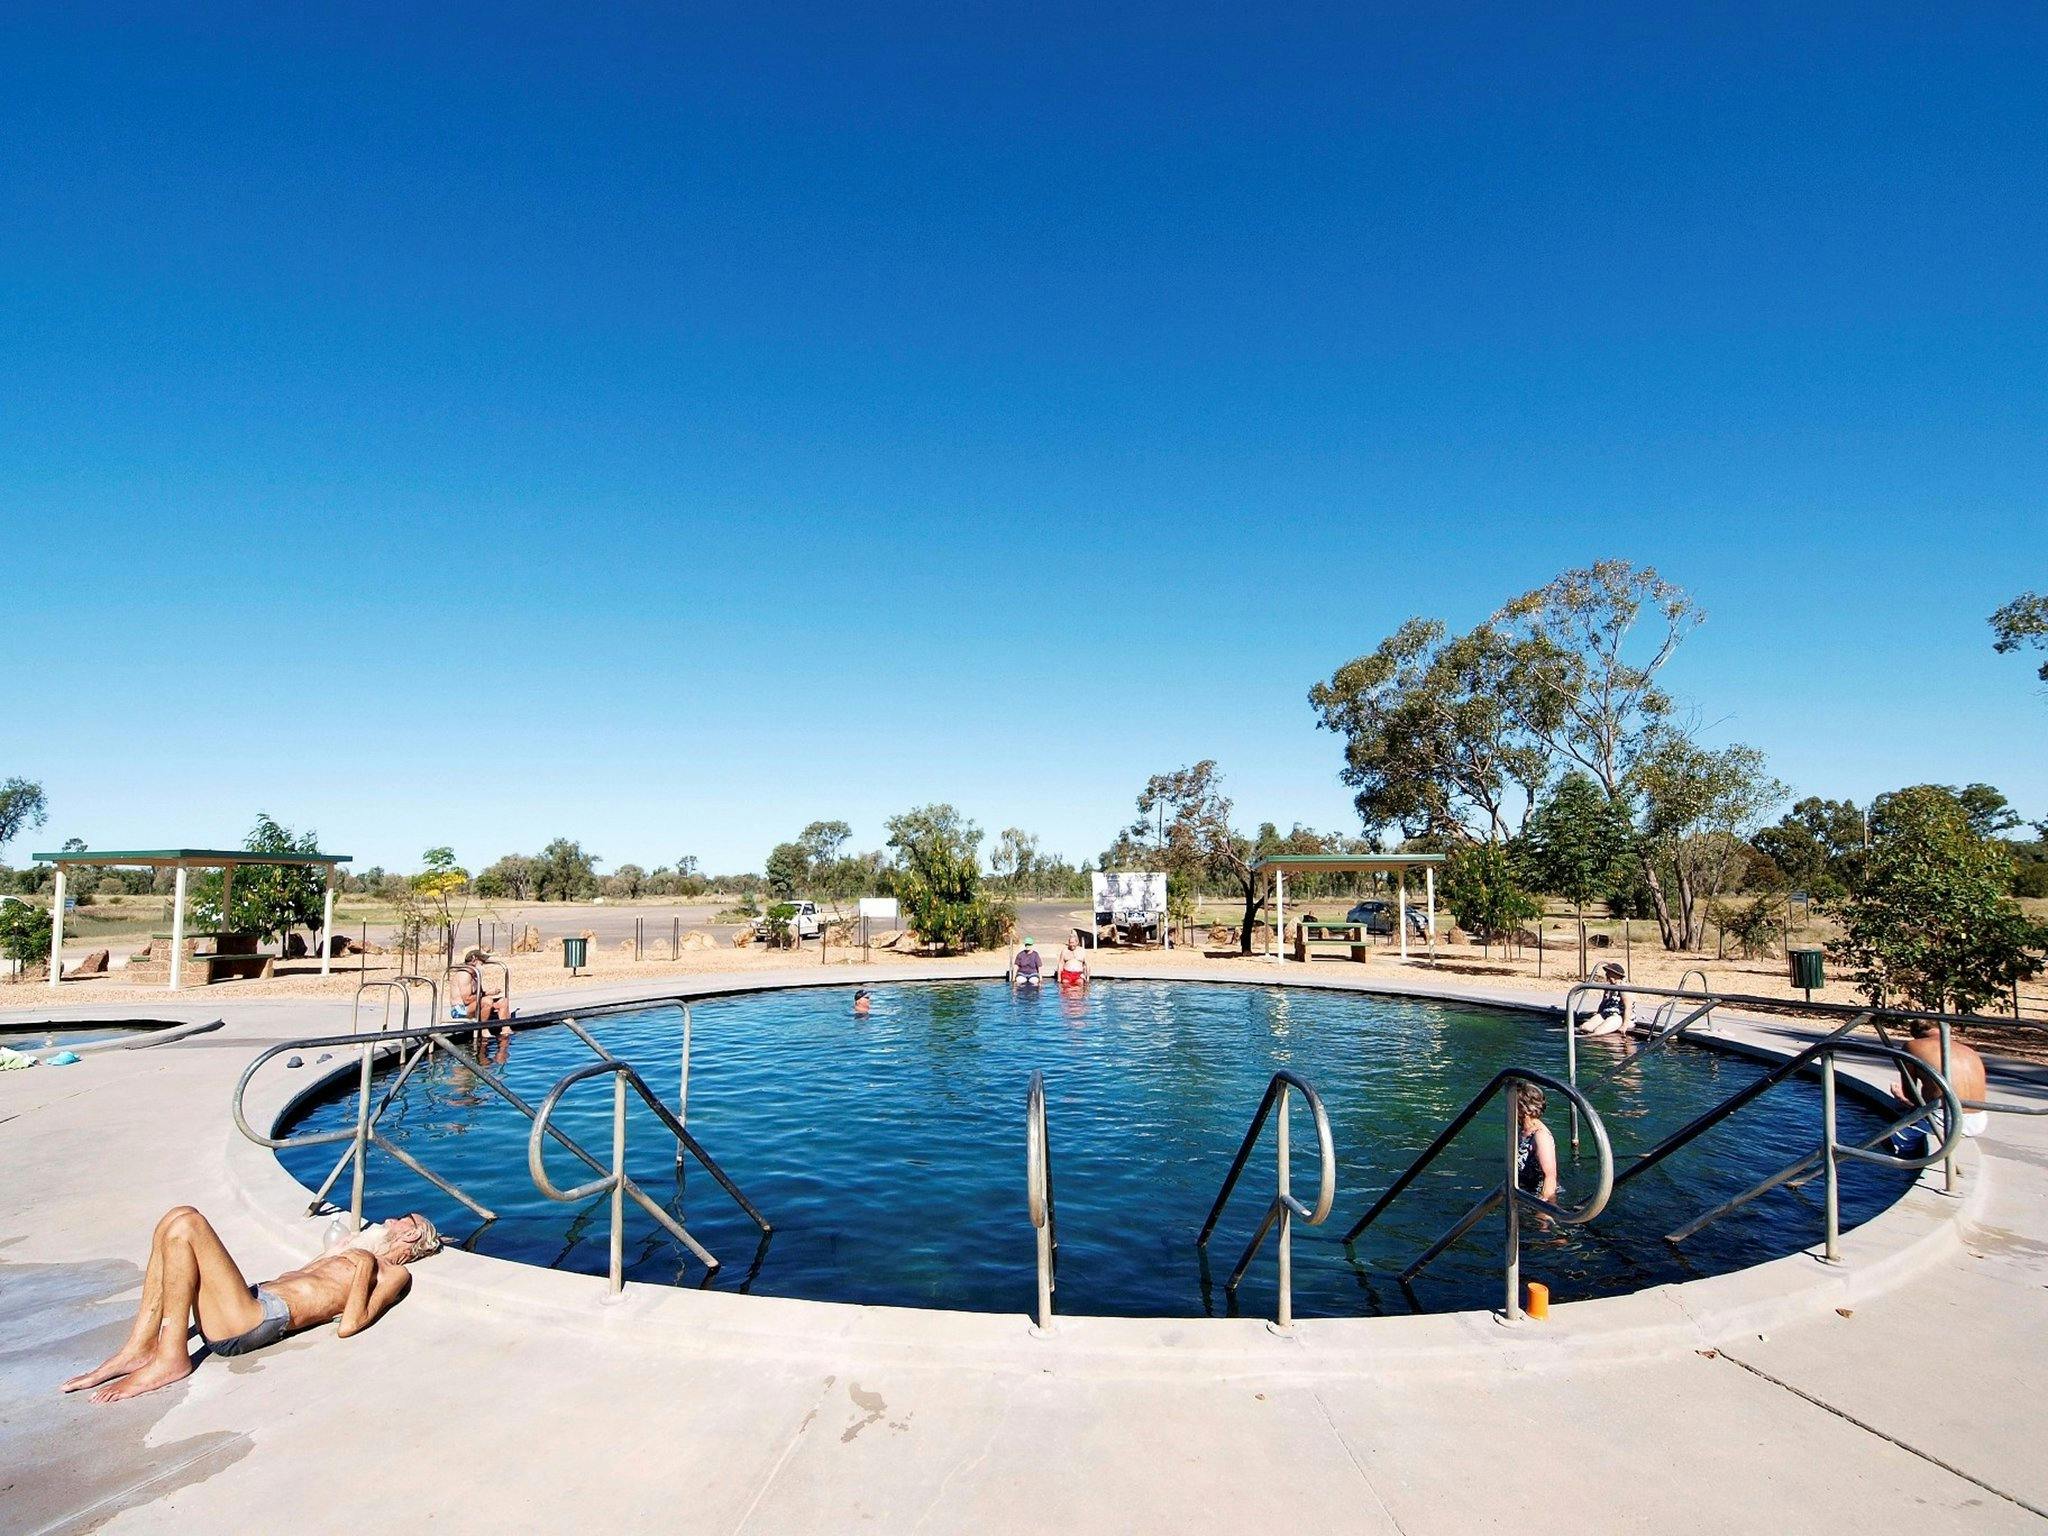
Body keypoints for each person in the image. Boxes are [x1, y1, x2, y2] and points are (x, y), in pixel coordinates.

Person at [61, 1208, 441, 1403]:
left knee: (188, 1224)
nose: (387, 1220)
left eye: (397, 1220)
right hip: (252, 1301)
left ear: (408, 1233)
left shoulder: (390, 1273)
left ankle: (170, 1357)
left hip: (257, 1319)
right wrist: (343, 1253)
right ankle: (139, 1347)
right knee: (173, 1219)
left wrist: (362, 1264)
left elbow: (350, 1324)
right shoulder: (355, 1253)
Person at [1889, 1022, 1990, 1156]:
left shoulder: (1912, 1046)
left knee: (1886, 1143)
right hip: (1978, 1119)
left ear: (1915, 1034)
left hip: (1946, 1120)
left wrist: (1900, 1097)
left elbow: (1911, 1098)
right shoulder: (1967, 1049)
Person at [1514, 1082, 1559, 1203]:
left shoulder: (1540, 1136)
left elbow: (1549, 1177)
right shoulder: (1522, 1130)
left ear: (1526, 1110)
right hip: (1521, 1193)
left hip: (1538, 1198)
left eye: (1513, 1105)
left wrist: (1543, 1213)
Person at [1577, 962, 1630, 1037]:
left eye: (1609, 973)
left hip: (1618, 1016)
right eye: (1607, 973)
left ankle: (1581, 1039)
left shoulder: (1624, 987)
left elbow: (1628, 1008)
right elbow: (1603, 1002)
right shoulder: (1609, 987)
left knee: (1598, 1032)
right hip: (1606, 1013)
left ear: (1617, 975)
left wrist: (1624, 1025)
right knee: (1584, 1027)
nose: (1607, 975)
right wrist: (1599, 1013)